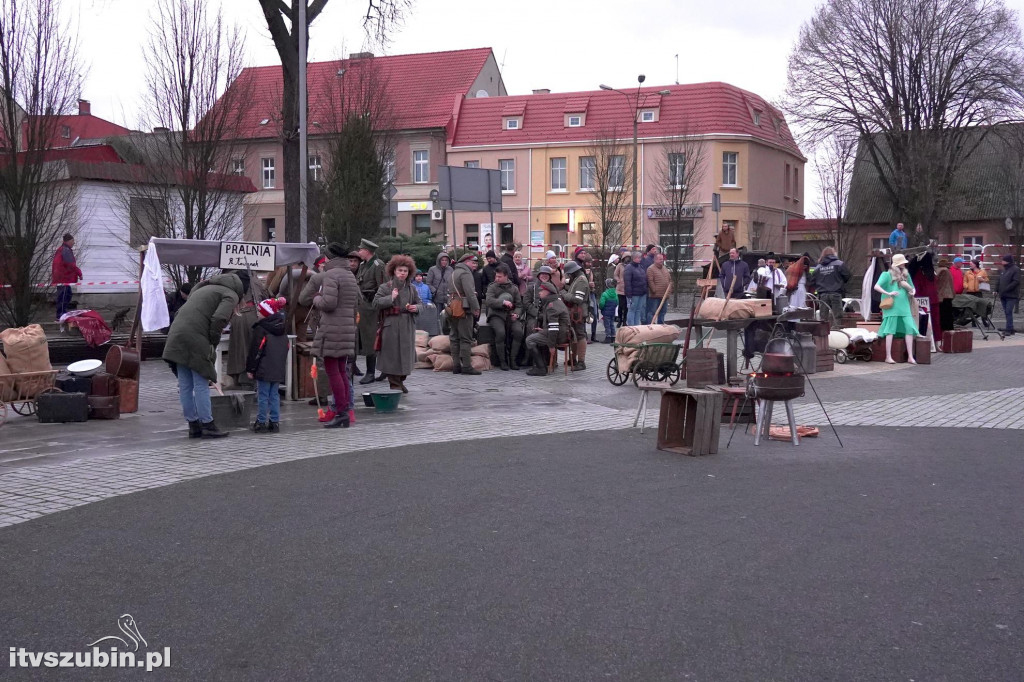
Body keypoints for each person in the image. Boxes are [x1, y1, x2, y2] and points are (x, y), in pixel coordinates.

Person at [163, 269, 249, 438]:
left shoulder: (203, 288)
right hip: (196, 337)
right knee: (201, 383)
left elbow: (181, 312)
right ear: (242, 290)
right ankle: (208, 424)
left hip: (176, 335)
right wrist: (212, 341)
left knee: (186, 385)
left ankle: (193, 425)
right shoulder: (230, 294)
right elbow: (218, 318)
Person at [303, 242, 360, 428]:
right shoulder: (349, 275)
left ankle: (341, 412)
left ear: (330, 258)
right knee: (342, 371)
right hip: (346, 328)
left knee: (332, 371)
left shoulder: (331, 275)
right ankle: (342, 411)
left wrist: (316, 298)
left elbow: (328, 303)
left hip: (333, 328)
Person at [373, 255, 420, 393]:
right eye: (400, 270)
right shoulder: (385, 287)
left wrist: (416, 308)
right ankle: (394, 384)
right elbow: (375, 303)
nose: (402, 273)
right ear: (394, 271)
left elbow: (420, 304)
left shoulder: (412, 288)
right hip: (391, 325)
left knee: (406, 356)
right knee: (392, 356)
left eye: (405, 271)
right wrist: (391, 298)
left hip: (407, 325)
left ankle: (400, 380)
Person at [246, 297, 289, 433]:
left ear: (266, 313)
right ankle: (275, 421)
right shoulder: (282, 329)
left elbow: (255, 351)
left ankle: (261, 421)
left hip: (263, 368)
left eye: (260, 312)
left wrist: (251, 368)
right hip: (277, 368)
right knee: (274, 395)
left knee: (263, 395)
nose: (258, 314)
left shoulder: (261, 329)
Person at [874, 253, 919, 364]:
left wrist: (912, 292)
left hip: (904, 305)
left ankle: (910, 356)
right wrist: (888, 292)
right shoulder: (887, 274)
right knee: (890, 330)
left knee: (909, 328)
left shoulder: (905, 275)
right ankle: (888, 356)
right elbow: (876, 286)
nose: (904, 264)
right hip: (892, 306)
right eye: (902, 262)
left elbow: (912, 288)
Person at [355, 239, 386, 385]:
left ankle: (370, 372)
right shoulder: (363, 265)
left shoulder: (378, 265)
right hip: (363, 305)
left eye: (361, 249)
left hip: (372, 306)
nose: (359, 251)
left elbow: (383, 287)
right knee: (366, 339)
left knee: (371, 339)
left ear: (367, 251)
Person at [524, 281, 569, 376]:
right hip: (562, 333)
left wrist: (552, 346)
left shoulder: (551, 306)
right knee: (535, 336)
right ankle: (542, 364)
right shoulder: (556, 301)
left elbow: (554, 329)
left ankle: (541, 368)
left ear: (547, 292)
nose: (539, 292)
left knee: (529, 340)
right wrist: (544, 331)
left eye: (542, 291)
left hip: (558, 335)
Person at [484, 264, 524, 370]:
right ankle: (502, 361)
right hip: (496, 315)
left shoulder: (514, 288)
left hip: (510, 315)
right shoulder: (492, 287)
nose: (497, 278)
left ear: (506, 276)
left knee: (518, 332)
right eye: (496, 276)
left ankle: (513, 359)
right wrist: (502, 302)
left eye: (499, 276)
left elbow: (519, 305)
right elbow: (489, 301)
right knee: (500, 333)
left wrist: (516, 314)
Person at [448, 252, 481, 374]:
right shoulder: (465, 273)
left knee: (454, 337)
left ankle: (456, 365)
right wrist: (476, 308)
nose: (475, 266)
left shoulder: (453, 272)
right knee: (466, 338)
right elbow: (470, 293)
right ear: (466, 262)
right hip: (463, 308)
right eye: (473, 263)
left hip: (452, 306)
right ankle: (467, 366)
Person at [810, 247, 851, 327]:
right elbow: (847, 276)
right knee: (837, 316)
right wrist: (839, 282)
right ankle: (836, 333)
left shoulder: (818, 267)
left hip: (823, 295)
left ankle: (823, 334)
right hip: (836, 293)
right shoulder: (839, 264)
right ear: (833, 253)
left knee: (823, 318)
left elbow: (812, 280)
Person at [561, 260, 590, 370]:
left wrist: (564, 293)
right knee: (574, 335)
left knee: (580, 335)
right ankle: (573, 359)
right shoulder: (578, 279)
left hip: (579, 312)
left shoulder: (581, 281)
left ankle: (581, 362)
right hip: (575, 312)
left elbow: (578, 299)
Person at [51, 232, 82, 321]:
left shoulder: (62, 249)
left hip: (61, 277)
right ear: (68, 241)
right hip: (63, 278)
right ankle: (60, 315)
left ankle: (62, 313)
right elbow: (71, 265)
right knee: (64, 296)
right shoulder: (66, 250)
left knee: (67, 294)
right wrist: (79, 273)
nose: (74, 243)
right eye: (72, 241)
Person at [646, 252, 672, 324]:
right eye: (660, 259)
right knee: (652, 312)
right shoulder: (651, 269)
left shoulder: (664, 268)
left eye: (662, 259)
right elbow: (650, 281)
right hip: (655, 296)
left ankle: (661, 325)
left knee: (663, 312)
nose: (662, 260)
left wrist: (669, 291)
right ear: (655, 260)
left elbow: (669, 279)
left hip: (664, 295)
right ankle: (650, 325)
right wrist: (654, 290)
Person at [997, 254, 1019, 335]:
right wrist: (996, 289)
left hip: (1011, 295)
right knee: (1006, 312)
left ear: (1007, 261)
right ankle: (1010, 327)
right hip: (1003, 295)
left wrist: (1007, 288)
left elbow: (1016, 281)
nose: (1002, 262)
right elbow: (999, 280)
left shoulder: (1015, 269)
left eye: (1003, 260)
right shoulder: (1003, 270)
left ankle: (1009, 329)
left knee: (1008, 311)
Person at [624, 252, 648, 325]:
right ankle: (631, 326)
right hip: (634, 293)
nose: (640, 259)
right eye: (638, 258)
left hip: (642, 292)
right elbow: (627, 282)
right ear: (634, 258)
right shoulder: (629, 267)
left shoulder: (640, 267)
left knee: (638, 310)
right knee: (632, 310)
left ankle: (637, 325)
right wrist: (629, 295)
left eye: (640, 257)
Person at [936, 258, 956, 338]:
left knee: (943, 314)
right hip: (948, 295)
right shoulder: (947, 270)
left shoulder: (941, 270)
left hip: (943, 295)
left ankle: (945, 330)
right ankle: (949, 330)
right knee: (948, 314)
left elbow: (938, 283)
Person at [613, 252, 630, 328]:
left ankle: (624, 321)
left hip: (628, 288)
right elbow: (615, 274)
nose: (627, 259)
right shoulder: (620, 265)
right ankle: (619, 320)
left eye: (629, 257)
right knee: (620, 306)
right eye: (626, 257)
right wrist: (618, 280)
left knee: (626, 306)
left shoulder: (630, 266)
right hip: (620, 289)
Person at [599, 278, 618, 342]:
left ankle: (608, 337)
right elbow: (617, 302)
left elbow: (602, 303)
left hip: (606, 312)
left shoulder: (605, 294)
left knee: (607, 325)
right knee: (612, 324)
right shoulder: (615, 293)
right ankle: (613, 336)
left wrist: (601, 308)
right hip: (612, 312)